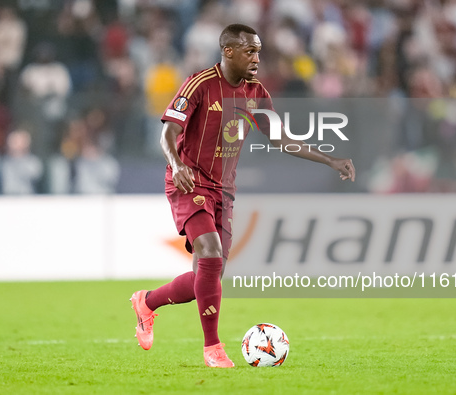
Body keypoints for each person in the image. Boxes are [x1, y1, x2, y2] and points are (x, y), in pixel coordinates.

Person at [130, 24, 356, 368]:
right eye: (250, 51)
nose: (257, 58)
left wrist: (329, 159)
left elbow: (281, 138)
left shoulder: (256, 92)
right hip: (189, 182)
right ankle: (213, 349)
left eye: (259, 51)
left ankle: (147, 303)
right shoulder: (200, 84)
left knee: (207, 276)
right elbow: (168, 132)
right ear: (229, 51)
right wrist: (176, 165)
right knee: (209, 251)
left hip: (224, 191)